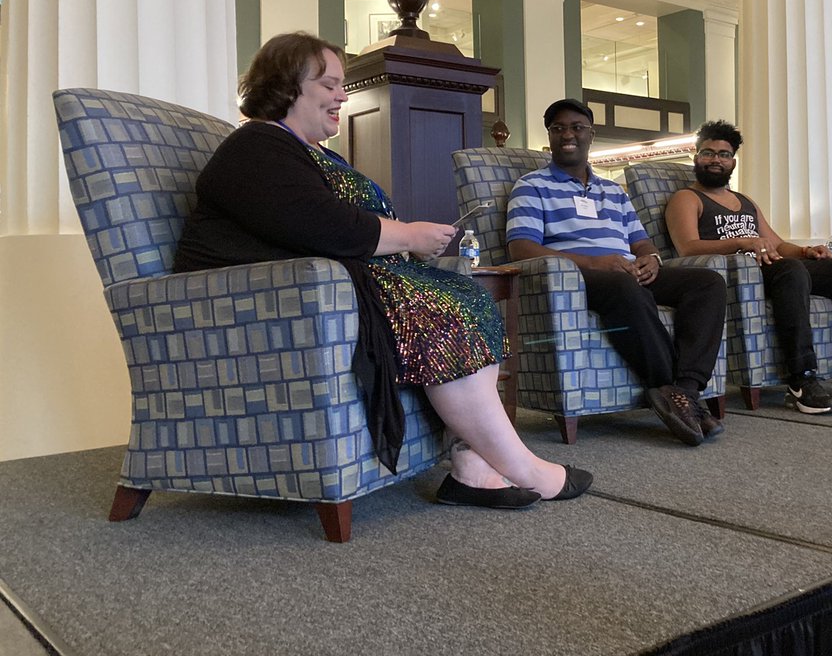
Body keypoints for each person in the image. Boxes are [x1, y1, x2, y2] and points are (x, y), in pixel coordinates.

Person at [173, 32, 591, 510]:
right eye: (329, 84)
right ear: (287, 85)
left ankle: (473, 465)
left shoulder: (312, 152)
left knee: (468, 295)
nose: (342, 96)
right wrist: (409, 236)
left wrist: (411, 246)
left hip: (346, 282)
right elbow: (324, 226)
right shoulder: (256, 145)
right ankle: (525, 468)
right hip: (273, 301)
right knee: (443, 308)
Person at [506, 99, 728, 447]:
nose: (568, 134)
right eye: (558, 128)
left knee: (708, 283)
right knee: (623, 285)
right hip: (578, 278)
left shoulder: (613, 191)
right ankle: (676, 393)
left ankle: (684, 392)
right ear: (549, 136)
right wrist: (596, 263)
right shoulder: (531, 186)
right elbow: (522, 249)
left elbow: (641, 242)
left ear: (590, 135)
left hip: (627, 270)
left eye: (577, 127)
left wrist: (652, 259)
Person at [665, 120, 832, 415]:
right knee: (791, 271)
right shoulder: (687, 198)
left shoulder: (744, 201)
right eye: (708, 153)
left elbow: (777, 244)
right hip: (738, 275)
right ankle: (801, 379)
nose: (716, 159)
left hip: (776, 268)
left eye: (723, 154)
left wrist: (806, 250)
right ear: (696, 157)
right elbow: (687, 247)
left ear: (732, 161)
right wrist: (742, 242)